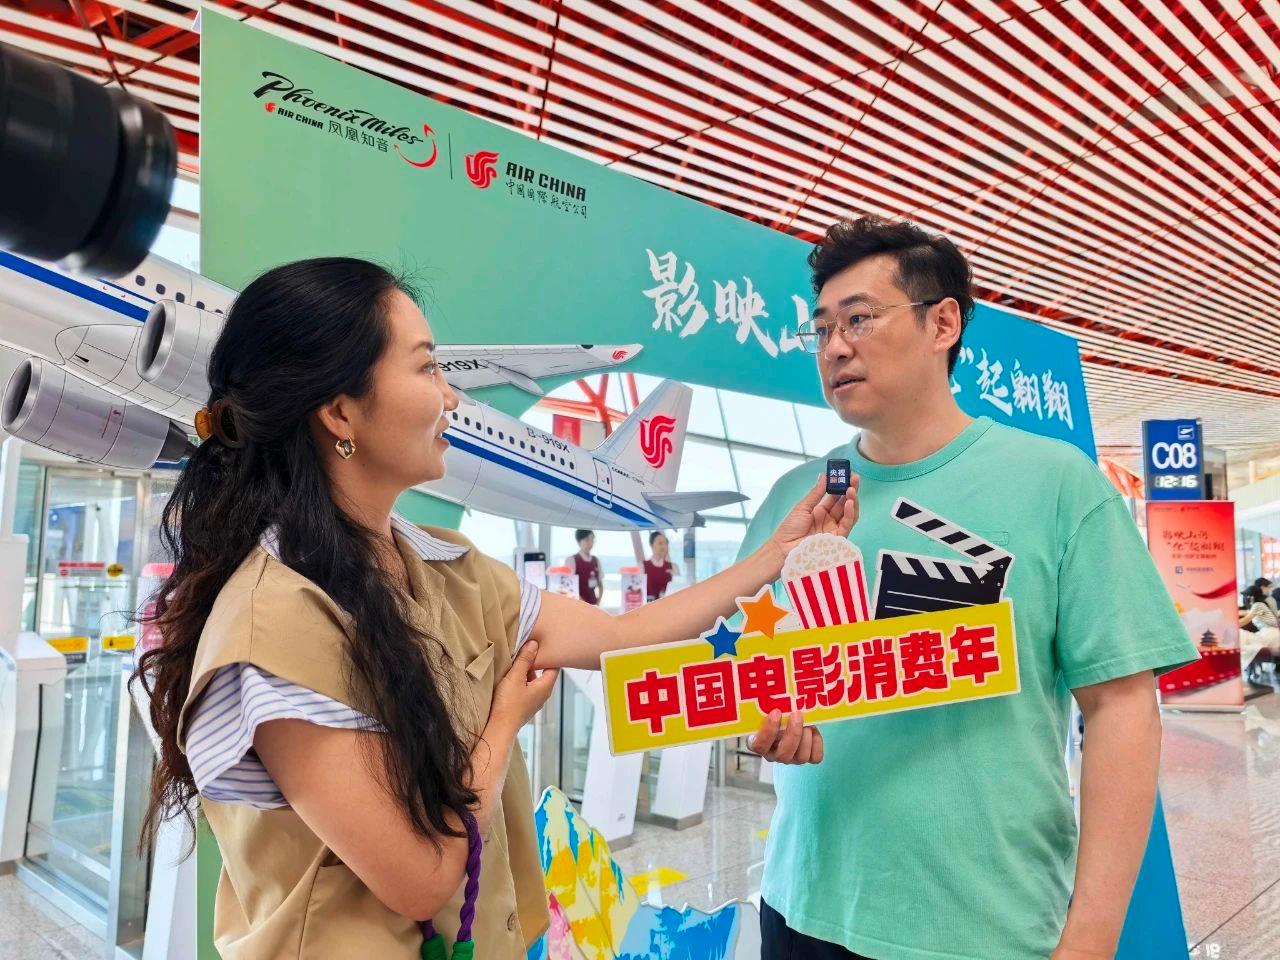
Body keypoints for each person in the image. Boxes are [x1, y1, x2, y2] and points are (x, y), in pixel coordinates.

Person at [133, 257, 856, 960]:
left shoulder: (448, 565)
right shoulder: (272, 623)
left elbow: (626, 633)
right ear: (340, 411)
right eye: (426, 368)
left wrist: (777, 553)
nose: (451, 397)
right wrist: (504, 720)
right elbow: (421, 878)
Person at [736, 216, 1197, 960]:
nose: (835, 347)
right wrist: (761, 720)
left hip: (986, 927)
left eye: (859, 318)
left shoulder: (1056, 485)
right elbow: (751, 666)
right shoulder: (796, 500)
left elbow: (1121, 709)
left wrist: (1090, 939)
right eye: (820, 330)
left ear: (943, 323)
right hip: (802, 907)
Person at [568, 528, 603, 605]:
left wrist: (598, 602)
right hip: (578, 604)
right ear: (579, 542)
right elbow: (570, 587)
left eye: (592, 540)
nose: (590, 543)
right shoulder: (572, 560)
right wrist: (584, 604)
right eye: (587, 540)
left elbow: (600, 585)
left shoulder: (596, 560)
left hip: (593, 604)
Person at [640, 529, 677, 600]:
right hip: (649, 604)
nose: (664, 546)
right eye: (660, 543)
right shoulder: (643, 566)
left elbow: (678, 589)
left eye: (666, 543)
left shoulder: (673, 567)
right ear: (651, 545)